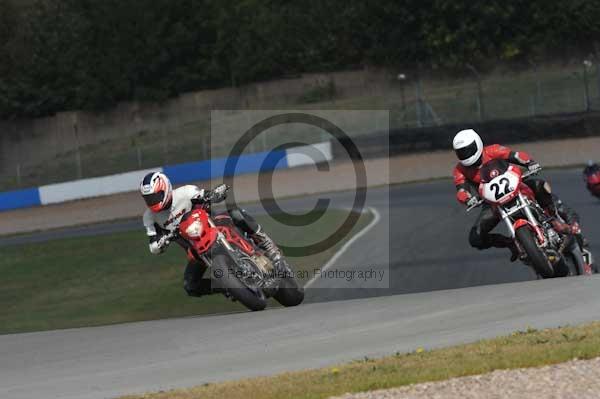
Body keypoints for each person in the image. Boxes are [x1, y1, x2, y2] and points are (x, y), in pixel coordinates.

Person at [140, 171, 282, 297]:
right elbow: (152, 244)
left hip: (214, 226)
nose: (152, 201)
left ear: (165, 188)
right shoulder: (149, 217)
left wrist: (215, 194)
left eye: (155, 196)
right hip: (195, 249)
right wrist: (160, 243)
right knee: (190, 286)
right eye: (148, 199)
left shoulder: (185, 192)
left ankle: (267, 243)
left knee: (237, 214)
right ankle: (228, 287)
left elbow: (205, 195)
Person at [452, 129, 582, 261]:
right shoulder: (459, 170)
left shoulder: (493, 150)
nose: (466, 154)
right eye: (461, 152)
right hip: (492, 203)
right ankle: (511, 243)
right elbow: (461, 189)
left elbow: (516, 155)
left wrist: (529, 162)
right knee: (475, 238)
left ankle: (554, 219)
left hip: (517, 188)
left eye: (468, 150)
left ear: (477, 143)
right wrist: (468, 199)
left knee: (540, 185)